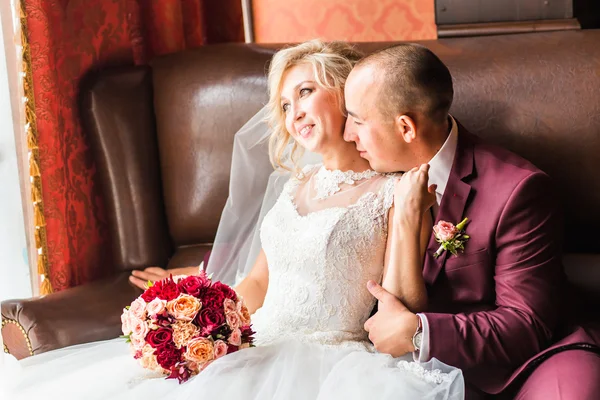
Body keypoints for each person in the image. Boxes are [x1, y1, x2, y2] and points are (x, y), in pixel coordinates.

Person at [5, 40, 464, 400]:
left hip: (330, 363)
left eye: (306, 91)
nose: (294, 112)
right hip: (256, 347)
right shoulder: (294, 185)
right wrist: (202, 326)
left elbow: (403, 305)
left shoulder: (396, 190)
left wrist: (406, 217)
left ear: (347, 92)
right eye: (285, 104)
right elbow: (258, 286)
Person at [342, 43, 600, 399]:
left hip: (526, 367)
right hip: (418, 372)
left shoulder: (518, 190)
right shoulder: (362, 182)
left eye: (357, 120)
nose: (347, 135)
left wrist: (421, 332)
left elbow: (526, 325)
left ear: (405, 127)